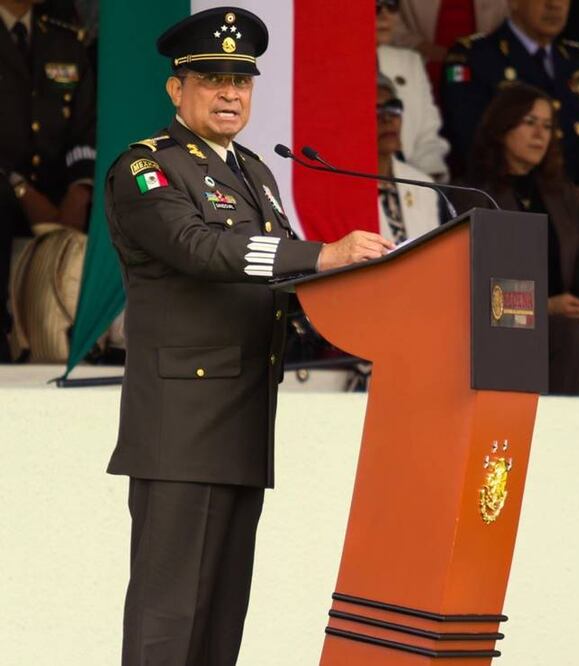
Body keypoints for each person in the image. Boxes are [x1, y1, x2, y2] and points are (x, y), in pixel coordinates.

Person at [104, 9, 394, 664]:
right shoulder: (147, 168)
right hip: (181, 429)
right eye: (212, 80)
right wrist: (322, 254)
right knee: (167, 621)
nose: (230, 94)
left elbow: (281, 278)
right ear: (176, 89)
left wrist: (377, 297)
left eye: (240, 81)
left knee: (220, 620)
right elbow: (199, 248)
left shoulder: (256, 172)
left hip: (244, 420)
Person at [454, 83, 579, 396]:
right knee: (570, 334)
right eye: (529, 122)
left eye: (547, 126)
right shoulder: (473, 194)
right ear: (501, 127)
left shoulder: (561, 193)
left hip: (564, 319)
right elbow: (473, 285)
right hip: (501, 325)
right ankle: (557, 427)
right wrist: (545, 307)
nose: (540, 134)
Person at [441, 0, 579, 211]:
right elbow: (472, 144)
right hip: (507, 206)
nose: (555, 5)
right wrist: (555, 196)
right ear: (514, 2)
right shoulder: (474, 56)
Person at [0, 0, 96, 362]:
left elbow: (87, 127)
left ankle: (103, 342)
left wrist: (79, 191)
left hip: (60, 193)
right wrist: (19, 188)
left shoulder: (64, 40)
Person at [376, 0, 451, 179]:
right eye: (375, 7)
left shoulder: (409, 61)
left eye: (392, 6)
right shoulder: (335, 66)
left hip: (414, 183)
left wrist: (428, 183)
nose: (385, 15)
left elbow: (428, 136)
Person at [376, 73, 443, 243]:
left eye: (393, 107)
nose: (387, 119)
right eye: (375, 110)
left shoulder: (422, 184)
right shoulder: (344, 189)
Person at [391, 0, 506, 82]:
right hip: (425, 67)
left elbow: (510, 23)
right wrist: (422, 46)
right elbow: (387, 21)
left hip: (480, 71)